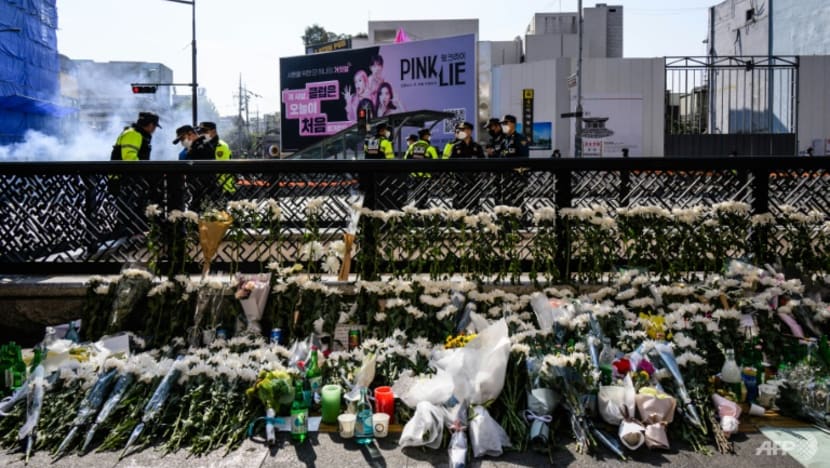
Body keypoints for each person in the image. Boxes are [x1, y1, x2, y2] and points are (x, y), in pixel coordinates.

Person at [174, 125, 215, 211]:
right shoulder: (187, 151)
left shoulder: (204, 146)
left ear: (191, 134)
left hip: (207, 190)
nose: (182, 142)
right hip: (194, 191)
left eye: (183, 138)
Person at [198, 121, 236, 197]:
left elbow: (218, 168)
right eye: (200, 132)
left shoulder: (220, 146)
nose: (202, 134)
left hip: (223, 188)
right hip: (212, 188)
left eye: (205, 131)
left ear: (214, 131)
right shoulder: (205, 145)